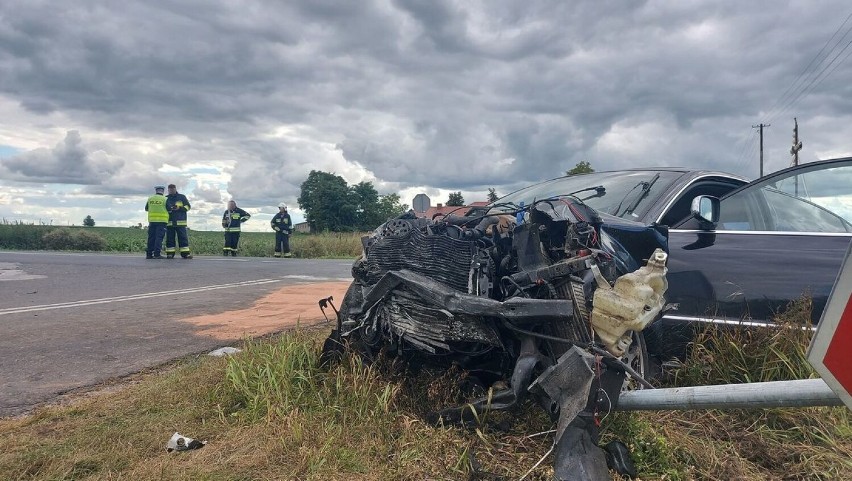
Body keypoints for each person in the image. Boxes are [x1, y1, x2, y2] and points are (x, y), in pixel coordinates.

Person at [164, 184, 193, 259]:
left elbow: (188, 206)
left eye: (172, 189)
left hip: (181, 222)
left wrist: (179, 208)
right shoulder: (166, 198)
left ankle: (185, 254)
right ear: (168, 190)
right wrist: (169, 209)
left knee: (183, 238)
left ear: (175, 189)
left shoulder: (182, 197)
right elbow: (164, 209)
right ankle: (170, 254)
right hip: (170, 222)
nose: (171, 191)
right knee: (170, 239)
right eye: (170, 190)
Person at [144, 185, 168, 259]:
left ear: (156, 191)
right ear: (163, 191)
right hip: (162, 221)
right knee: (159, 238)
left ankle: (149, 254)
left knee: (151, 237)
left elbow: (146, 208)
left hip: (152, 221)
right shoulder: (165, 199)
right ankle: (157, 254)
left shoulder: (150, 198)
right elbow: (170, 209)